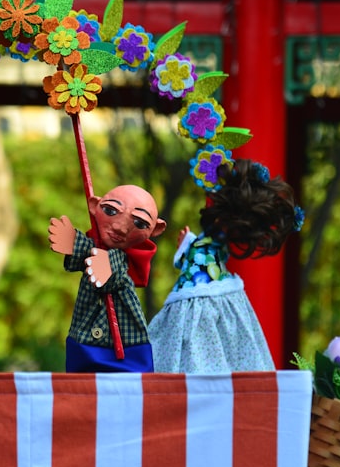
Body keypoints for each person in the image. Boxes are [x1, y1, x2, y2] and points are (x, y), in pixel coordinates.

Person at [147, 159, 303, 373]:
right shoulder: (210, 241)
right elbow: (195, 257)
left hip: (207, 298)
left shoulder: (217, 239)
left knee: (209, 356)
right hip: (195, 296)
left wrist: (188, 243)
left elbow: (195, 256)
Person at [48, 184, 167, 373]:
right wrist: (75, 243)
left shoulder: (120, 261)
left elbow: (110, 272)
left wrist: (77, 244)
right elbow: (91, 255)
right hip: (84, 343)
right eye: (111, 210)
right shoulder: (96, 251)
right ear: (94, 205)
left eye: (139, 223)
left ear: (156, 229)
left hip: (126, 348)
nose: (120, 227)